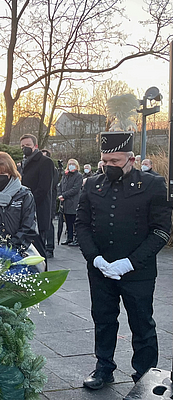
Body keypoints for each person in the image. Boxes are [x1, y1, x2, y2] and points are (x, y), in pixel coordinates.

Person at [76, 131, 172, 390]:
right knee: (103, 319)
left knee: (142, 323)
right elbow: (82, 225)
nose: (109, 167)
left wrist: (130, 262)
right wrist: (94, 258)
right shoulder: (92, 185)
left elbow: (161, 230)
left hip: (137, 269)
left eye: (115, 162)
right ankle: (103, 367)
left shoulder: (152, 185)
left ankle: (145, 374)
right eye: (105, 162)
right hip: (101, 269)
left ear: (131, 159)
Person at [19, 134, 55, 255]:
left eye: (28, 145)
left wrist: (29, 202)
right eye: (23, 146)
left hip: (38, 208)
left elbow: (43, 188)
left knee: (39, 249)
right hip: (26, 210)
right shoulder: (23, 163)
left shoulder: (45, 162)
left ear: (36, 146)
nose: (25, 148)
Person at [58, 159, 83, 246]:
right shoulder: (66, 175)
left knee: (74, 221)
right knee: (68, 221)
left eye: (73, 164)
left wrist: (64, 195)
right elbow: (60, 185)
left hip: (73, 202)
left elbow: (75, 189)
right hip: (65, 203)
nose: (71, 165)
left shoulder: (78, 176)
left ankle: (77, 239)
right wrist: (60, 195)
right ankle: (69, 238)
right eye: (70, 164)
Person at [40, 149, 58, 258]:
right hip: (42, 201)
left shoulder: (52, 170)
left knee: (49, 224)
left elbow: (52, 184)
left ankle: (50, 247)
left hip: (49, 200)